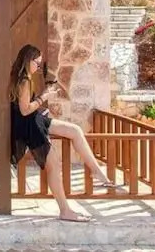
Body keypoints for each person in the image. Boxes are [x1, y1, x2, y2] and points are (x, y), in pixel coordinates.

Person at [10, 43, 123, 222]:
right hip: (29, 125)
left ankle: (96, 172)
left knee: (75, 131)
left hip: (35, 120)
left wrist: (44, 95)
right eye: (36, 63)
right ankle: (65, 210)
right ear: (28, 60)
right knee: (54, 166)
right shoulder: (24, 80)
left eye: (39, 64)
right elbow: (24, 110)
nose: (38, 67)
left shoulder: (23, 78)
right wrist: (44, 97)